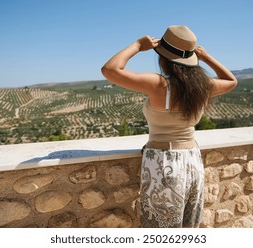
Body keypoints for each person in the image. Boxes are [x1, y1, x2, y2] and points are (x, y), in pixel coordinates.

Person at [101, 25, 237, 228]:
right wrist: (206, 57)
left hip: (163, 163)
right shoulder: (202, 87)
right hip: (192, 159)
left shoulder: (159, 85)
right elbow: (231, 81)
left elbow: (110, 69)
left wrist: (138, 45)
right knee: (187, 227)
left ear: (163, 58)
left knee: (162, 230)